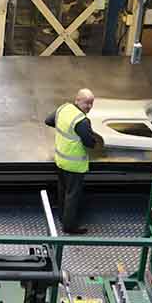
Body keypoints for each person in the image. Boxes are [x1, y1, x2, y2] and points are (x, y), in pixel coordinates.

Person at [44, 89, 104, 234]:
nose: (89, 106)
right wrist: (96, 142)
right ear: (77, 100)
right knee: (72, 195)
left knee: (63, 190)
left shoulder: (63, 109)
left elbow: (48, 121)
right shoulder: (81, 121)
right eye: (86, 103)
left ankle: (62, 217)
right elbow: (90, 143)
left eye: (91, 103)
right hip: (74, 165)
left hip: (61, 160)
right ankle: (69, 226)